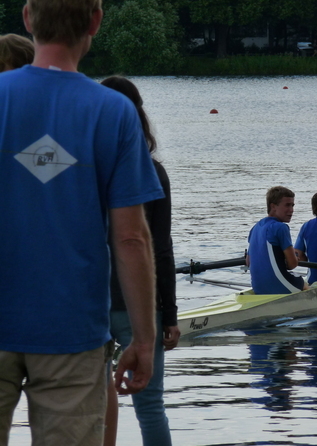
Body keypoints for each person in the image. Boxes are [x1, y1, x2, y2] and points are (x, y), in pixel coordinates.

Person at [0, 0, 163, 445]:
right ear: (95, 22)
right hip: (72, 334)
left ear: (28, 19)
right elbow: (131, 239)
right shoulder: (113, 112)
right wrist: (143, 341)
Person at [101, 76, 180, 446]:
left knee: (93, 404)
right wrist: (171, 316)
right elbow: (160, 249)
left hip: (92, 303)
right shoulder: (153, 172)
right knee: (150, 408)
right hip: (142, 308)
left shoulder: (84, 171)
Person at [246, 186, 306, 294]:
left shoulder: (255, 228)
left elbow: (248, 262)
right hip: (282, 286)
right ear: (273, 206)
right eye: (287, 205)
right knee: (306, 284)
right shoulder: (281, 227)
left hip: (258, 288)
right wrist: (294, 258)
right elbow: (292, 264)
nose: (291, 210)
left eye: (292, 205)